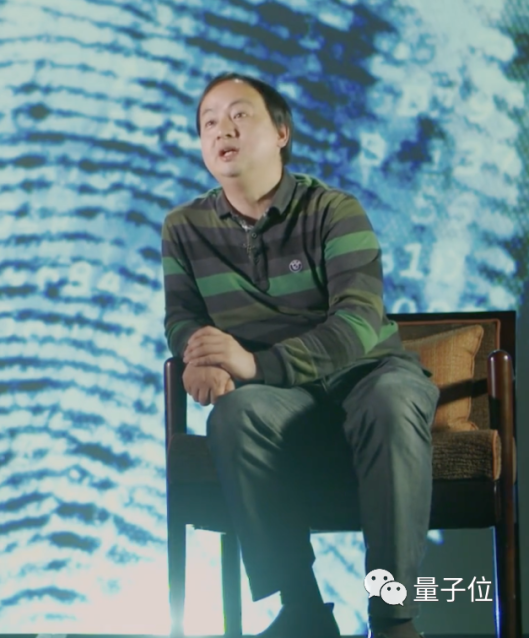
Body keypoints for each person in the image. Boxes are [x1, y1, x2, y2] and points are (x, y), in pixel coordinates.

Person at [160, 72, 439, 638]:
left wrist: (255, 365)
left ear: (281, 132)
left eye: (240, 115)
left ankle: (394, 618)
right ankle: (303, 610)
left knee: (391, 402)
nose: (222, 130)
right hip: (277, 399)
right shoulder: (184, 228)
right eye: (209, 122)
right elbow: (182, 316)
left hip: (367, 375)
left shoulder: (334, 209)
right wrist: (199, 353)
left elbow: (357, 323)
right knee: (235, 415)